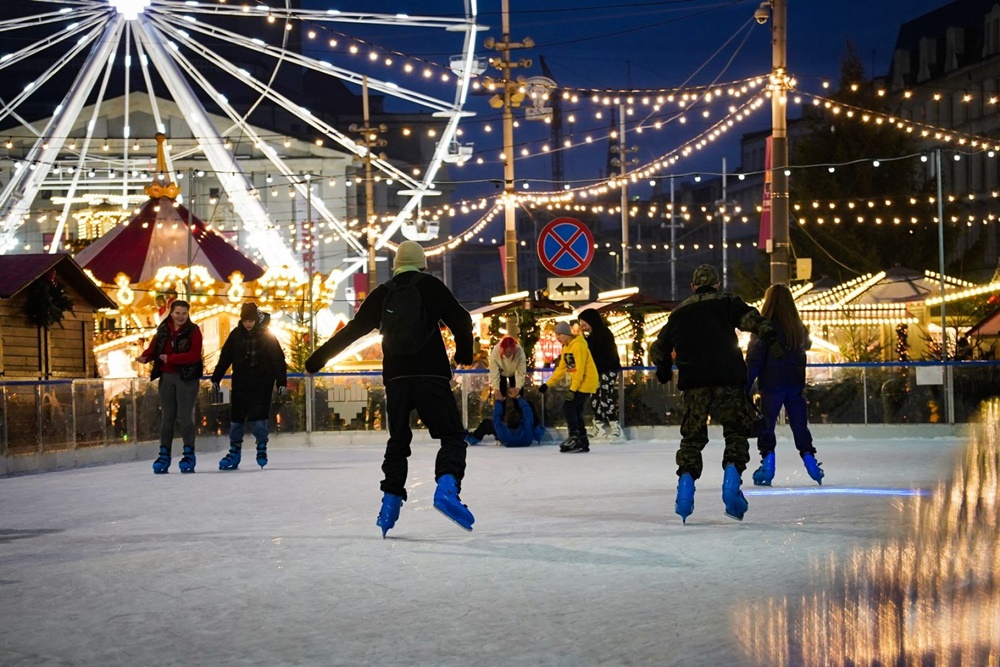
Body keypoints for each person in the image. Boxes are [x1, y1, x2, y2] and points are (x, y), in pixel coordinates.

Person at [305, 240, 475, 537]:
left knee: (398, 441)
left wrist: (316, 360)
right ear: (422, 263)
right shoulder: (430, 286)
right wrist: (464, 355)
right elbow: (461, 319)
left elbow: (353, 331)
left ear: (396, 265)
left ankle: (390, 502)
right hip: (431, 375)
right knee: (452, 435)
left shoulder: (383, 293)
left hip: (396, 378)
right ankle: (447, 487)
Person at [650, 264, 783, 523]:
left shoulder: (679, 313)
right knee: (735, 432)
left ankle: (685, 496)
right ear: (718, 283)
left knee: (692, 438)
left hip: (694, 383)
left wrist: (664, 368)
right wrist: (771, 337)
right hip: (728, 379)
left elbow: (659, 347)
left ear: (693, 286)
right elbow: (752, 320)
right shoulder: (727, 302)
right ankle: (731, 487)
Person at [746, 283, 824, 486]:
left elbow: (754, 360)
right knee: (799, 424)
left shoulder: (764, 328)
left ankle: (767, 464)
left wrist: (744, 386)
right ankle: (810, 460)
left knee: (767, 426)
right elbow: (806, 346)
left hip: (771, 385)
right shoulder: (797, 327)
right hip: (795, 384)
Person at [210, 302, 288, 471]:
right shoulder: (236, 335)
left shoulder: (267, 336)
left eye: (251, 320)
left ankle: (261, 447)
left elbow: (278, 361)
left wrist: (281, 382)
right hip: (241, 384)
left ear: (256, 320)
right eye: (245, 320)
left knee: (258, 420)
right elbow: (225, 358)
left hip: (261, 384)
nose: (248, 324)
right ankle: (234, 452)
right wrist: (216, 378)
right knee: (236, 420)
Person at [136, 300, 204, 474]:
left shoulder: (193, 331)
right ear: (171, 312)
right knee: (167, 418)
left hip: (186, 378)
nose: (181, 317)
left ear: (188, 314)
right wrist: (145, 357)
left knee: (184, 417)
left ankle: (189, 453)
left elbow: (194, 355)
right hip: (167, 377)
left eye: (184, 313)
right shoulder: (163, 329)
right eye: (177, 313)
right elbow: (154, 348)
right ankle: (164, 454)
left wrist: (172, 358)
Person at [539, 321, 599, 453]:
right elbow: (562, 369)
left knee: (568, 406)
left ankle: (575, 436)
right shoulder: (566, 348)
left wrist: (572, 389)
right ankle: (582, 439)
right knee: (575, 409)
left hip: (586, 381)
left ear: (566, 334)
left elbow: (580, 370)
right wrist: (546, 384)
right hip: (579, 382)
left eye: (559, 335)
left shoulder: (578, 346)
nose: (557, 338)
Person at [577, 308, 624, 442]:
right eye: (581, 325)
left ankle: (615, 428)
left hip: (607, 371)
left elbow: (604, 356)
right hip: (596, 373)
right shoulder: (590, 338)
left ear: (592, 322)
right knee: (594, 398)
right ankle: (599, 427)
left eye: (584, 324)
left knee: (605, 397)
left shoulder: (604, 334)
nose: (583, 328)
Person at [465, 395, 546, 447]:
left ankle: (472, 438)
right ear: (521, 421)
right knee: (529, 410)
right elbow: (528, 411)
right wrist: (518, 396)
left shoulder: (502, 431)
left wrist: (498, 400)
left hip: (506, 440)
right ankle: (539, 435)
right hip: (525, 440)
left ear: (506, 423)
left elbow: (496, 416)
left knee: (486, 423)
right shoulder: (527, 429)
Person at [489, 335, 527, 401]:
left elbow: (520, 372)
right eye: (506, 352)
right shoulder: (495, 352)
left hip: (515, 373)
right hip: (501, 374)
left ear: (514, 350)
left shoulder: (519, 352)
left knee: (517, 399)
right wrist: (496, 389)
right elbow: (494, 372)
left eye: (510, 352)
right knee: (499, 399)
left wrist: (517, 389)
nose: (508, 354)